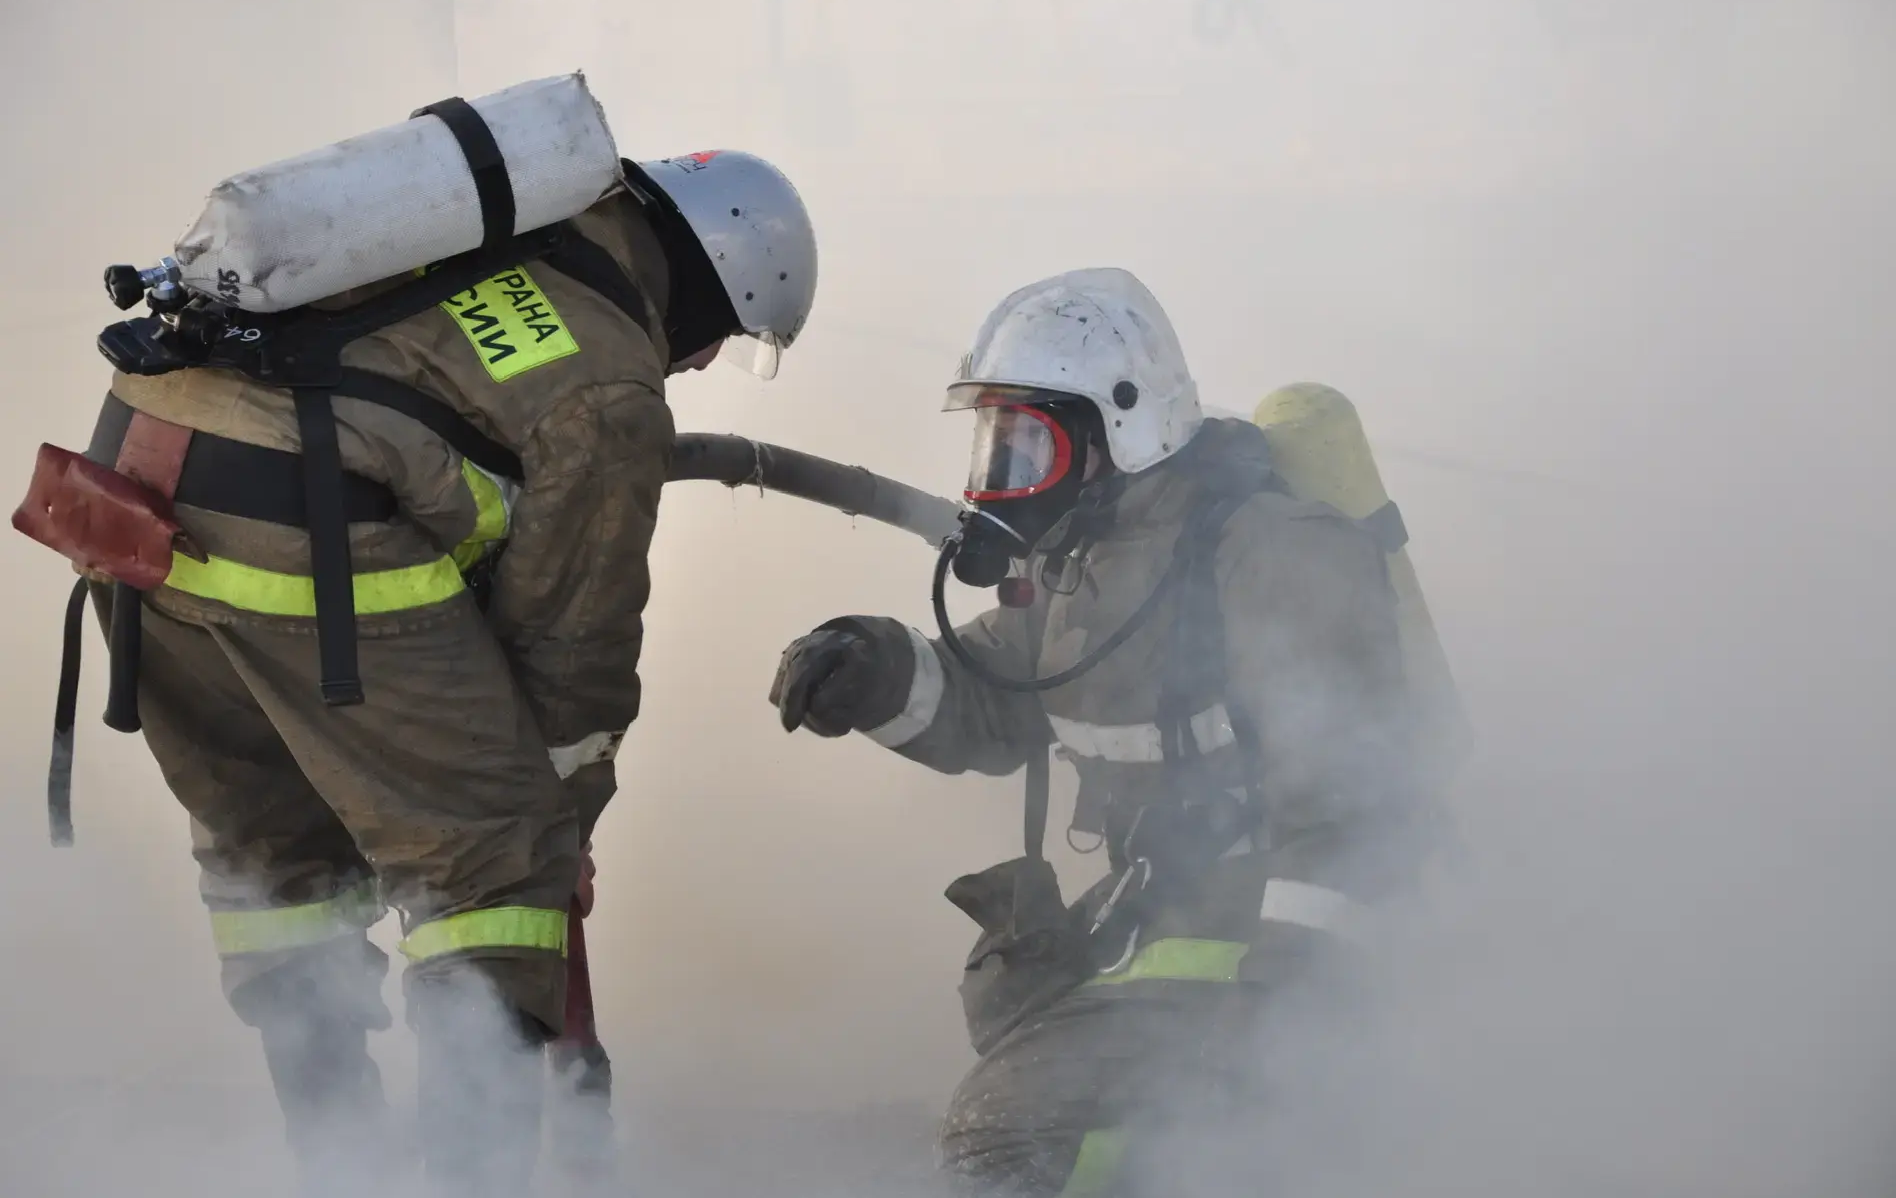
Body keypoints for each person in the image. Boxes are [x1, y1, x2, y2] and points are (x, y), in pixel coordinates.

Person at [79, 150, 816, 1197]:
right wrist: (562, 825)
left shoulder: (488, 245)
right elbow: (576, 644)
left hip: (131, 481)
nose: (697, 366)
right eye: (721, 338)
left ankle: (333, 1163)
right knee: (495, 870)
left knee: (277, 862)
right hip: (296, 532)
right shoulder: (611, 382)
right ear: (711, 281)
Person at [768, 268, 1436, 1196]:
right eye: (994, 444)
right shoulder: (1079, 567)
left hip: (1262, 946)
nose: (1000, 479)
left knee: (1012, 1128)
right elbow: (988, 699)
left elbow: (1356, 806)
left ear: (1120, 425)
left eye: (1026, 446)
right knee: (1030, 1088)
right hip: (1161, 918)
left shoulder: (1273, 550)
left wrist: (1280, 1018)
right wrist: (872, 667)